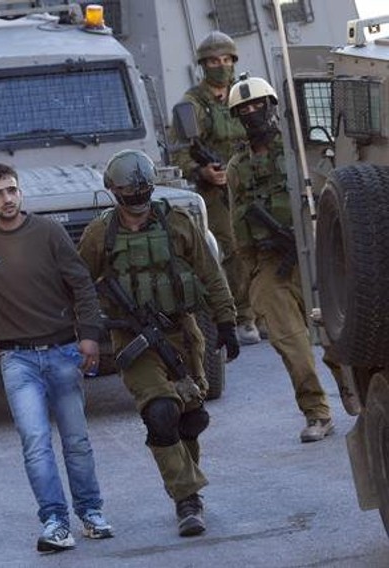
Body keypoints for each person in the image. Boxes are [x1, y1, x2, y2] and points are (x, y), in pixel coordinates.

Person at [78, 149, 239, 537]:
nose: (136, 199)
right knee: (161, 413)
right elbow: (80, 286)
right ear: (113, 191)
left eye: (142, 191)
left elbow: (210, 274)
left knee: (191, 418)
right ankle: (187, 498)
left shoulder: (178, 223)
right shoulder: (99, 234)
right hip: (132, 339)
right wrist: (87, 335)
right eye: (128, 192)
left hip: (181, 333)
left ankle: (187, 483)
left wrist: (227, 321)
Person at [0, 163, 112, 553]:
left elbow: (81, 284)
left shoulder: (49, 232)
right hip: (17, 360)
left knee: (76, 440)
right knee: (35, 442)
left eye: (11, 190)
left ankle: (91, 513)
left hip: (63, 351)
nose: (7, 199)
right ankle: (55, 521)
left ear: (20, 192)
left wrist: (90, 335)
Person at [226, 76, 334, 443]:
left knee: (336, 335)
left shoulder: (299, 151)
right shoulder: (238, 166)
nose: (252, 113)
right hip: (272, 262)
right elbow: (237, 225)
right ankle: (316, 411)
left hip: (316, 252)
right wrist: (252, 277)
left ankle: (357, 393)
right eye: (244, 110)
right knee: (291, 344)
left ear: (272, 106)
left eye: (258, 105)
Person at [170, 31, 260, 346]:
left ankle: (266, 309)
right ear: (203, 65)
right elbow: (179, 152)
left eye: (225, 60)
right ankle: (243, 316)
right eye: (213, 62)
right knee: (232, 248)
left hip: (252, 181)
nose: (221, 66)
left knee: (264, 242)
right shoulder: (192, 104)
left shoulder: (245, 93)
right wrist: (202, 172)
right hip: (216, 192)